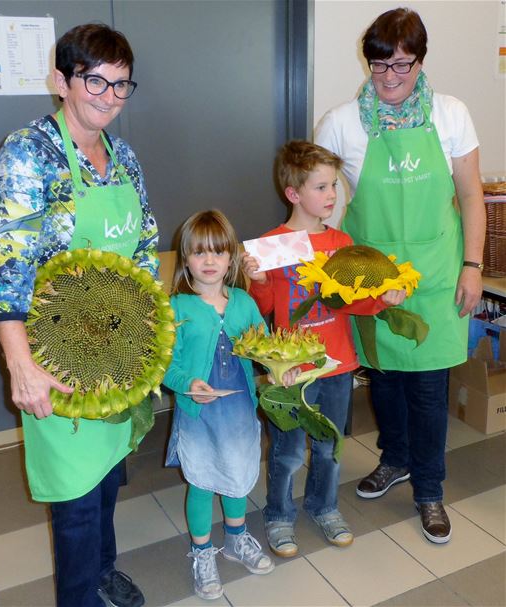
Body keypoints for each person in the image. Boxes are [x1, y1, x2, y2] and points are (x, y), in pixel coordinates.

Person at [0, 23, 158, 607]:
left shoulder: (124, 157)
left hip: (117, 350)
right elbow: (4, 265)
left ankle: (104, 573)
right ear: (61, 80)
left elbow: (145, 247)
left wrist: (151, 337)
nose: (108, 96)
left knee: (108, 476)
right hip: (54, 356)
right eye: (94, 80)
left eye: (120, 84)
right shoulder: (27, 154)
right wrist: (20, 366)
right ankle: (79, 596)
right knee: (75, 497)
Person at [315, 8, 485, 544]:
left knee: (430, 390)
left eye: (402, 66)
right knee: (384, 379)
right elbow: (318, 197)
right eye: (379, 66)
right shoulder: (341, 121)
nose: (389, 79)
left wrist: (473, 266)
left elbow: (471, 196)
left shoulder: (450, 114)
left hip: (435, 275)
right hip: (371, 279)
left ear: (420, 60)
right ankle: (395, 460)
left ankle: (430, 490)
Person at [242, 140, 406, 557]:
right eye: (320, 187)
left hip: (337, 365)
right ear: (293, 194)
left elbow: (352, 297)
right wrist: (259, 282)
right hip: (294, 370)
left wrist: (381, 299)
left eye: (333, 186)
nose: (331, 195)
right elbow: (264, 312)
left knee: (331, 446)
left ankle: (324, 506)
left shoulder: (341, 240)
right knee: (289, 450)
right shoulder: (273, 244)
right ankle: (279, 515)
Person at [163, 210, 284, 601]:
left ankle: (235, 538)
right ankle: (201, 552)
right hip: (199, 414)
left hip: (238, 412)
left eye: (218, 252)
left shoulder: (245, 302)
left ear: (232, 258)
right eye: (200, 253)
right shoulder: (177, 308)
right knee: (201, 481)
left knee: (237, 476)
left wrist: (284, 368)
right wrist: (186, 384)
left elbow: (265, 347)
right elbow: (167, 363)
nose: (210, 261)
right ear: (185, 260)